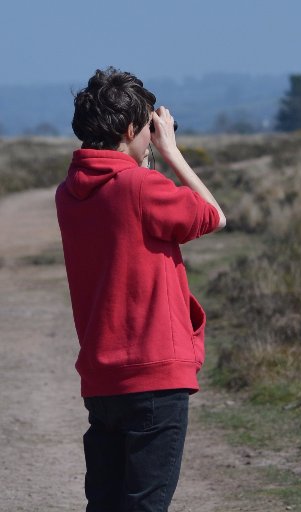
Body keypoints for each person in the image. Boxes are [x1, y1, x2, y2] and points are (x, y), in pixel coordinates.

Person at [55, 66, 226, 512]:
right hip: (154, 375)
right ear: (132, 128)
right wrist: (171, 154)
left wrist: (142, 160)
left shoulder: (68, 193)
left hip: (102, 378)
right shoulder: (139, 186)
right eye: (148, 129)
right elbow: (213, 215)